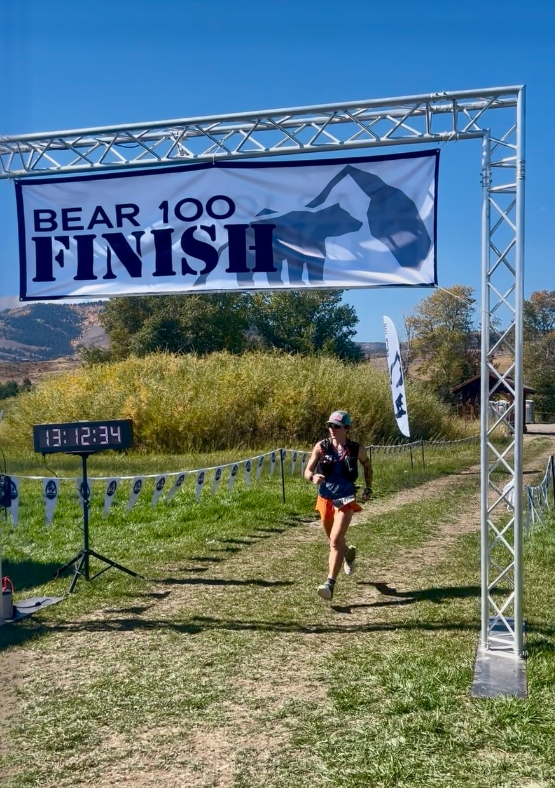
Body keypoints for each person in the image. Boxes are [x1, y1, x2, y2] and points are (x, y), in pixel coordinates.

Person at [304, 410, 372, 601]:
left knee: (335, 541)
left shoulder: (356, 448)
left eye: (337, 426)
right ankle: (348, 555)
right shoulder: (321, 446)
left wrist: (368, 488)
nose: (332, 429)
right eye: (330, 425)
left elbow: (367, 465)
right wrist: (312, 477)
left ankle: (329, 584)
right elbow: (307, 470)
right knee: (335, 541)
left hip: (345, 498)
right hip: (325, 498)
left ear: (347, 428)